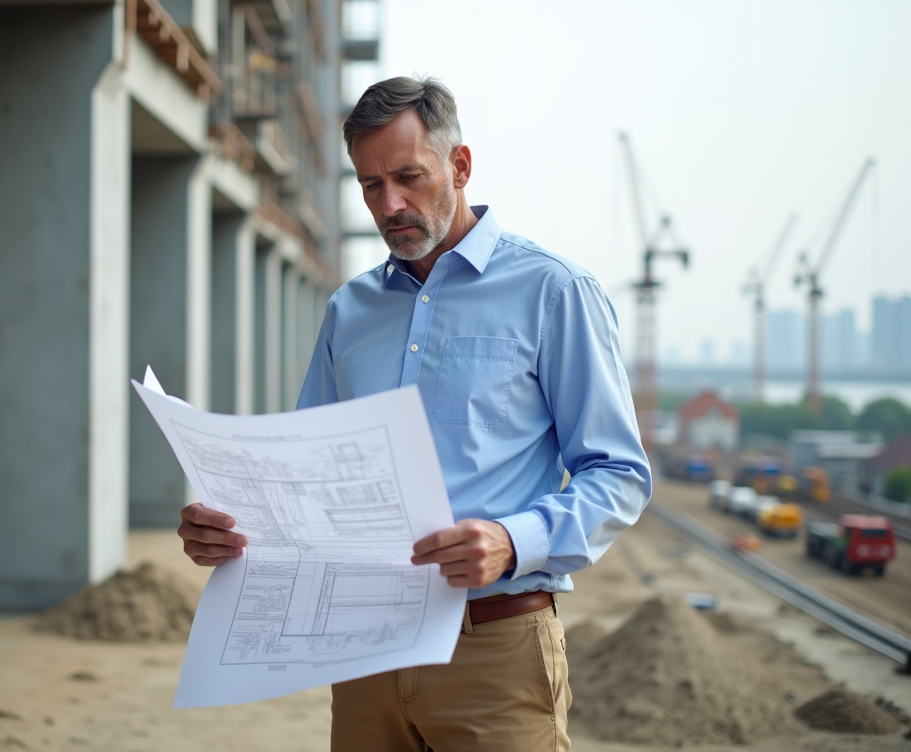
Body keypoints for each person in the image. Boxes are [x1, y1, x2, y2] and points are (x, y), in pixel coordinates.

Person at [177, 76, 651, 751]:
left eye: (407, 176)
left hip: (494, 652)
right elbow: (306, 478)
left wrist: (514, 540)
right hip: (363, 656)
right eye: (370, 185)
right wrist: (229, 529)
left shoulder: (554, 291)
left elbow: (619, 474)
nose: (390, 204)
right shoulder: (350, 309)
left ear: (459, 165)